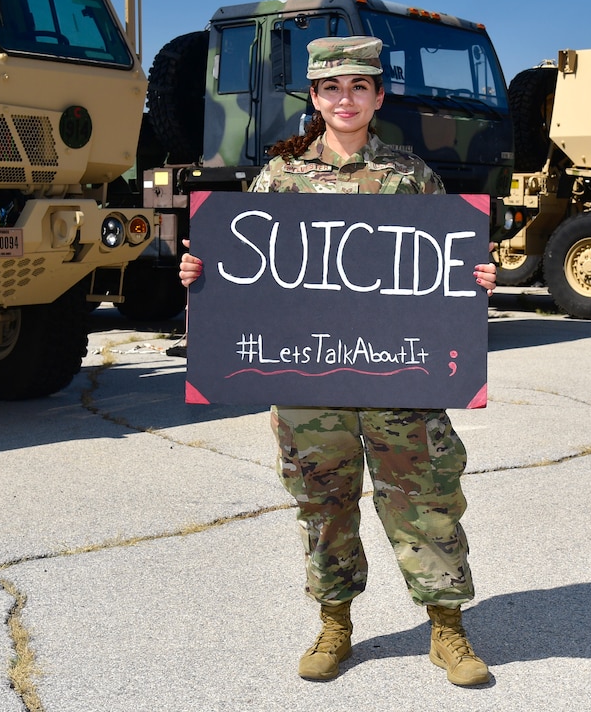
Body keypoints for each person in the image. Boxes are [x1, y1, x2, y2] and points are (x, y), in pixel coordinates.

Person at [178, 36, 496, 686]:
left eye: (357, 87)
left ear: (376, 97)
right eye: (330, 88)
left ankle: (447, 629)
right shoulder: (280, 179)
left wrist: (478, 278)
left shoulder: (412, 177)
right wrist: (200, 274)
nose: (344, 99)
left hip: (399, 369)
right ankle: (335, 623)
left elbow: (444, 267)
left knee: (423, 495)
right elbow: (247, 268)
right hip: (308, 375)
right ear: (315, 99)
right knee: (322, 501)